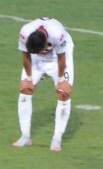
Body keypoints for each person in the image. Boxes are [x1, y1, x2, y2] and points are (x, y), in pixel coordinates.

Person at [12, 17, 75, 151]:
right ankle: (25, 136)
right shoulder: (25, 33)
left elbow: (62, 58)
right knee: (25, 89)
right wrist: (29, 79)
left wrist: (61, 80)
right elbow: (25, 56)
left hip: (58, 56)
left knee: (63, 93)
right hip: (36, 59)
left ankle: (57, 138)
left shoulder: (57, 34)